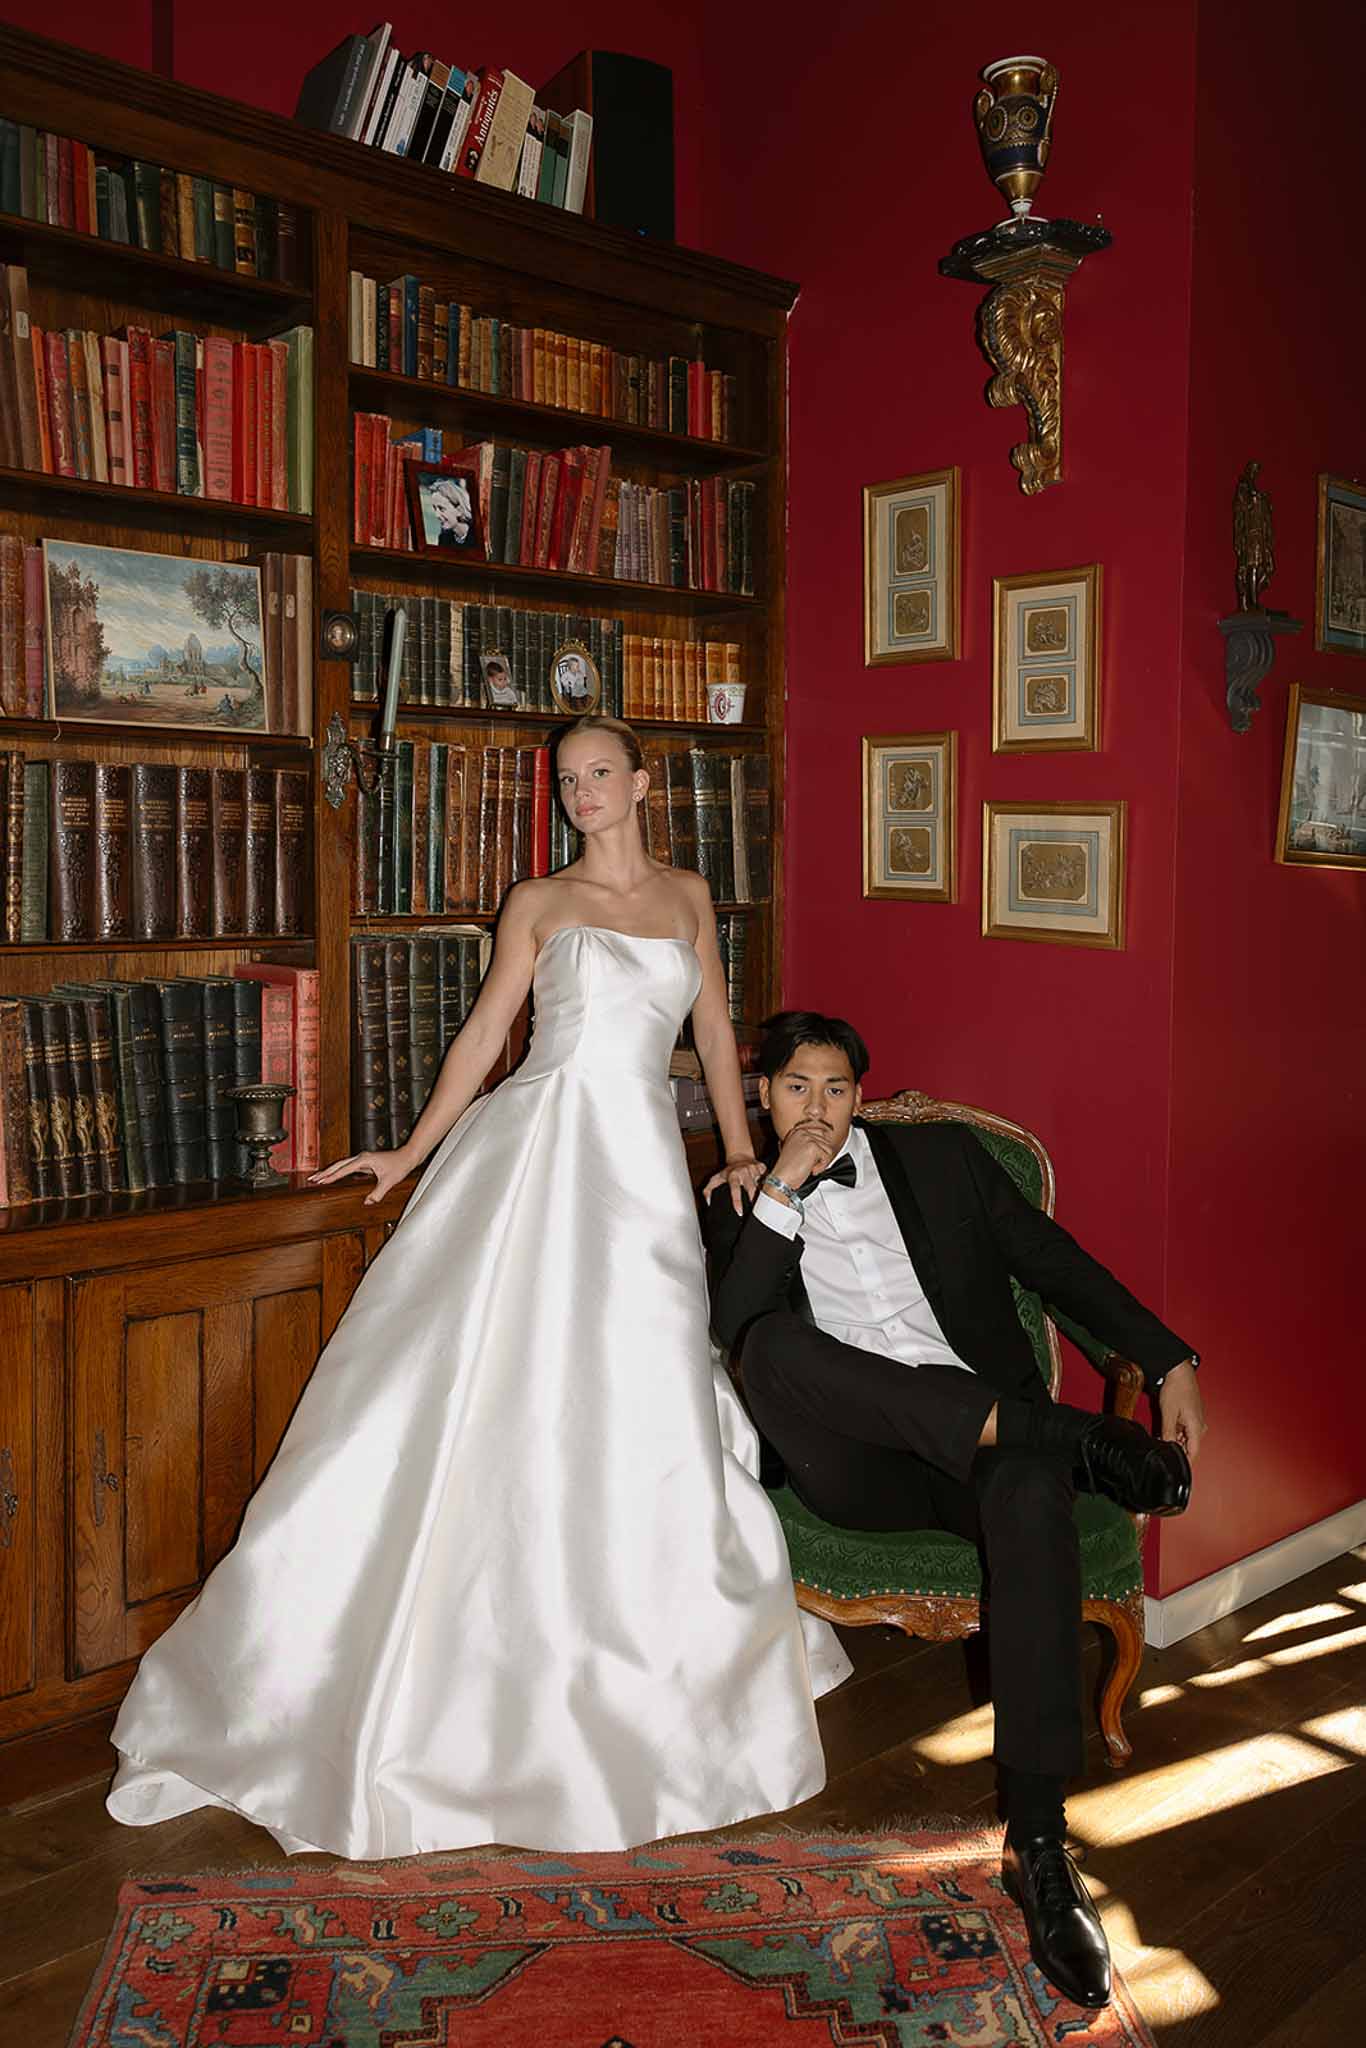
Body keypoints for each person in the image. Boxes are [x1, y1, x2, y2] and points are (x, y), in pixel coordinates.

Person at [106, 718, 850, 1861]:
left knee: (640, 1384)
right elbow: (488, 1030)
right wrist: (409, 1152)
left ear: (643, 783)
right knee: (489, 1383)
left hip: (641, 1164)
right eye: (568, 780)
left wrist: (743, 1151)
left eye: (602, 774)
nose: (583, 793)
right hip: (542, 1147)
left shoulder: (692, 895)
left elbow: (709, 1030)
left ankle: (649, 1655)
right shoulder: (537, 901)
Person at [703, 1012, 1208, 2012]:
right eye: (796, 1087)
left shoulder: (941, 1159)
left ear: (862, 1093)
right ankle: (1083, 1443)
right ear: (764, 1096)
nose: (817, 1109)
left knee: (1023, 1488)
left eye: (836, 1087)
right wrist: (782, 1195)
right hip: (858, 1458)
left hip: (981, 1442)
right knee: (771, 1348)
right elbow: (729, 1331)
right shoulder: (736, 1200)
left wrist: (1168, 1356)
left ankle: (1039, 1844)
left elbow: (1057, 1264)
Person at [429, 472, 476, 548]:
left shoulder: (477, 536)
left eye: (442, 509)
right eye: (435, 508)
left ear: (459, 509)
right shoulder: (444, 539)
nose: (437, 515)